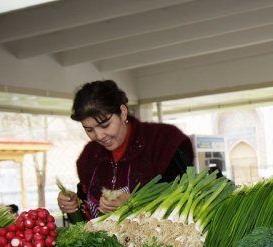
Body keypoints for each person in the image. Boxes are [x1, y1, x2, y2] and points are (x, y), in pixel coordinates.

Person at [57, 80, 195, 220]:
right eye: (89, 129)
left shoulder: (165, 142)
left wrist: (135, 202)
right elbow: (88, 215)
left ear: (123, 112)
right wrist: (73, 205)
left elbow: (188, 198)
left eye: (105, 125)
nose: (99, 136)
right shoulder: (89, 157)